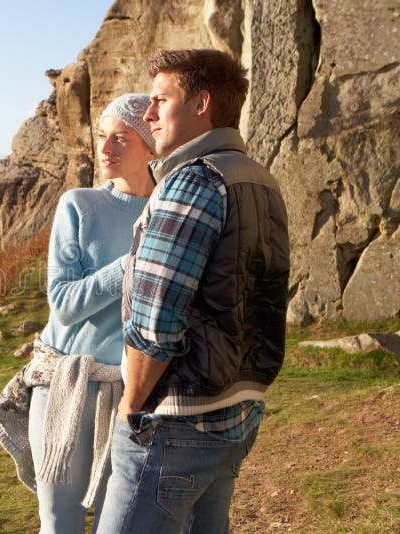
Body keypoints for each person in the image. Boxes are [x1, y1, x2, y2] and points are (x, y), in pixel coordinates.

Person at [97, 49, 290, 534]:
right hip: (235, 409)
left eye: (161, 100)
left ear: (201, 103)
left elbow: (157, 320)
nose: (148, 114)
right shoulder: (259, 179)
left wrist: (132, 405)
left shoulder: (193, 181)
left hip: (175, 419)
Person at [0, 93, 157, 533]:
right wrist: (129, 264)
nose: (105, 149)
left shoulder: (167, 214)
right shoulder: (79, 205)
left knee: (114, 522)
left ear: (152, 145)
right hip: (65, 380)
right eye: (102, 136)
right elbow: (62, 302)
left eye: (122, 139)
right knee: (59, 522)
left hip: (132, 390)